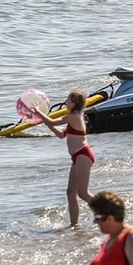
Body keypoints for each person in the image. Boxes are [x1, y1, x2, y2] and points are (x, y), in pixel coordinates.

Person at [31, 90, 95, 227]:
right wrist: (47, 123)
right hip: (77, 157)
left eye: (68, 100)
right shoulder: (74, 117)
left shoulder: (73, 117)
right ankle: (74, 225)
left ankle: (108, 210)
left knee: (83, 193)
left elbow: (52, 121)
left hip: (83, 155)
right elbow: (61, 134)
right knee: (70, 193)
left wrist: (38, 112)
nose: (65, 102)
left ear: (74, 103)